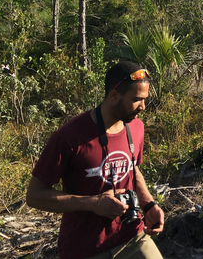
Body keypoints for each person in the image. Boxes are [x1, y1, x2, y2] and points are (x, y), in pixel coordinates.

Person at [26, 61, 165, 259]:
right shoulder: (69, 137)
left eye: (145, 99)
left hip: (131, 237)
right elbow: (34, 196)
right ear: (114, 95)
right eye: (136, 100)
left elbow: (132, 169)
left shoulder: (135, 127)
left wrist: (149, 205)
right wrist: (93, 204)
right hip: (85, 248)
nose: (143, 107)